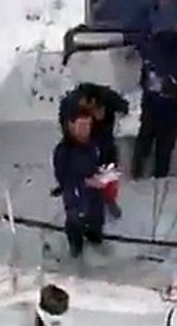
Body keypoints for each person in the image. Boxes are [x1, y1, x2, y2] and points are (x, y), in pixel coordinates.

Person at [132, 22, 177, 179]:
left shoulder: (165, 47)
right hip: (164, 101)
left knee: (156, 141)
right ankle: (147, 174)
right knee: (154, 141)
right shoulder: (175, 48)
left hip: (166, 101)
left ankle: (147, 174)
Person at [58, 82, 128, 217]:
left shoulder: (107, 96)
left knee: (109, 172)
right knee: (85, 175)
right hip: (83, 144)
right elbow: (64, 122)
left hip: (105, 142)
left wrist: (116, 112)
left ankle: (110, 199)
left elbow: (124, 107)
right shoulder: (71, 104)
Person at [53, 107, 112, 257]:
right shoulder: (64, 150)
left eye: (88, 125)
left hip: (95, 199)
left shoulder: (93, 145)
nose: (85, 129)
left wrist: (104, 175)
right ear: (71, 125)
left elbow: (96, 166)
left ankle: (94, 241)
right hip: (77, 198)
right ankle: (75, 253)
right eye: (81, 125)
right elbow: (63, 178)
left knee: (96, 229)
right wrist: (85, 182)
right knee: (76, 226)